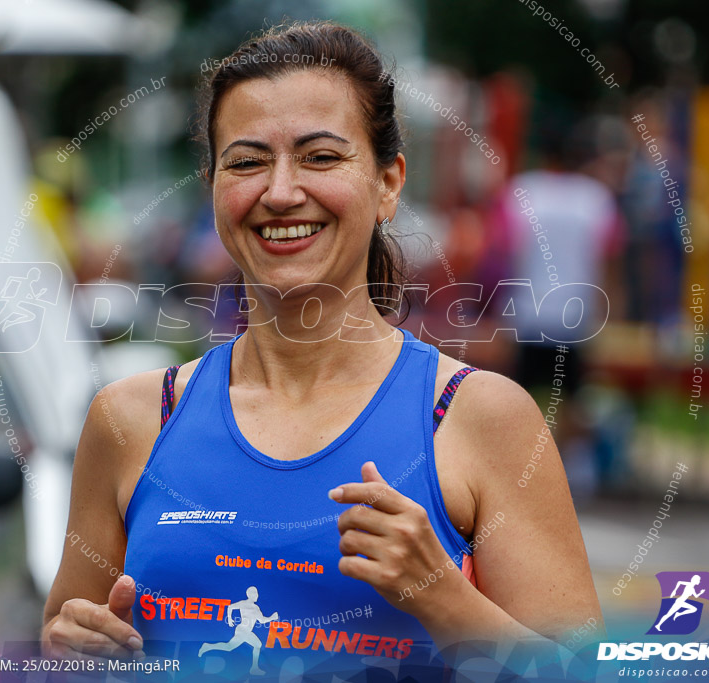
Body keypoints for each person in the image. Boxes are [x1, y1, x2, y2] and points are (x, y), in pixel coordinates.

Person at [42, 21, 602, 678]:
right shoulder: (131, 418)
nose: (281, 192)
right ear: (215, 187)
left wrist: (441, 594)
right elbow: (62, 640)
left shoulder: (478, 417)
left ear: (389, 183)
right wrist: (69, 649)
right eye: (247, 161)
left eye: (320, 157)